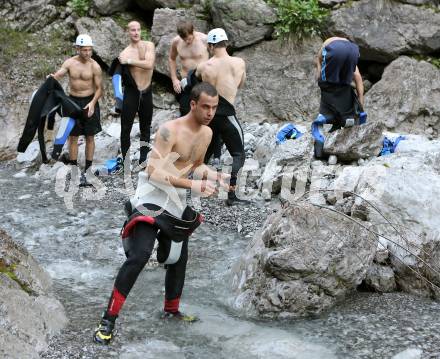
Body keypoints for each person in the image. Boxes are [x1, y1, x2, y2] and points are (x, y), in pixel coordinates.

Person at [93, 82, 229, 345]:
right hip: (151, 194)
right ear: (193, 104)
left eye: (214, 107)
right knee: (140, 255)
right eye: (206, 107)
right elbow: (155, 172)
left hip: (175, 198)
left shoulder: (207, 134)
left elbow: (196, 166)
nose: (211, 112)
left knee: (178, 257)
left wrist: (215, 175)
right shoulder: (169, 130)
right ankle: (108, 320)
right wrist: (194, 185)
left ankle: (171, 310)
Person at [195, 28, 247, 206]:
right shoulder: (239, 63)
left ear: (210, 46)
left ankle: (196, 187)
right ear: (226, 43)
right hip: (226, 115)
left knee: (204, 154)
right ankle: (231, 196)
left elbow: (197, 83)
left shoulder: (204, 66)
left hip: (208, 116)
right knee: (239, 154)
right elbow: (241, 84)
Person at [51, 34, 103, 185]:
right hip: (72, 102)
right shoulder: (70, 63)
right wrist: (52, 78)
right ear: (77, 48)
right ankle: (74, 171)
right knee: (72, 137)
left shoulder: (95, 66)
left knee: (90, 137)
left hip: (89, 102)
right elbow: (59, 74)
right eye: (84, 50)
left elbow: (100, 89)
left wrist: (93, 103)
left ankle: (88, 170)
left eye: (89, 50)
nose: (87, 53)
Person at [312, 36, 365, 159]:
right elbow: (358, 79)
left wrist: (320, 79)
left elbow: (319, 61)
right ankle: (346, 118)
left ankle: (320, 138)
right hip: (354, 50)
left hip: (335, 49)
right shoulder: (349, 51)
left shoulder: (325, 50)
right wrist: (361, 102)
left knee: (326, 83)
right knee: (344, 85)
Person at [118, 21, 155, 166]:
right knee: (125, 127)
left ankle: (143, 159)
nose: (136, 33)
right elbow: (117, 76)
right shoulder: (124, 52)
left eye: (138, 29)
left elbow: (149, 64)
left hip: (147, 90)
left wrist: (129, 61)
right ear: (128, 32)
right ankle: (126, 160)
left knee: (146, 126)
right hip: (132, 92)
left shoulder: (148, 46)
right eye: (133, 30)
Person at [168, 21, 209, 116]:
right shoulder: (176, 41)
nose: (187, 41)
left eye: (189, 38)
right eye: (184, 39)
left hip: (202, 80)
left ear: (193, 31)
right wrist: (174, 79)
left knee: (204, 109)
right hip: (186, 81)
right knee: (185, 109)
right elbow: (171, 58)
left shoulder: (204, 39)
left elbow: (217, 57)